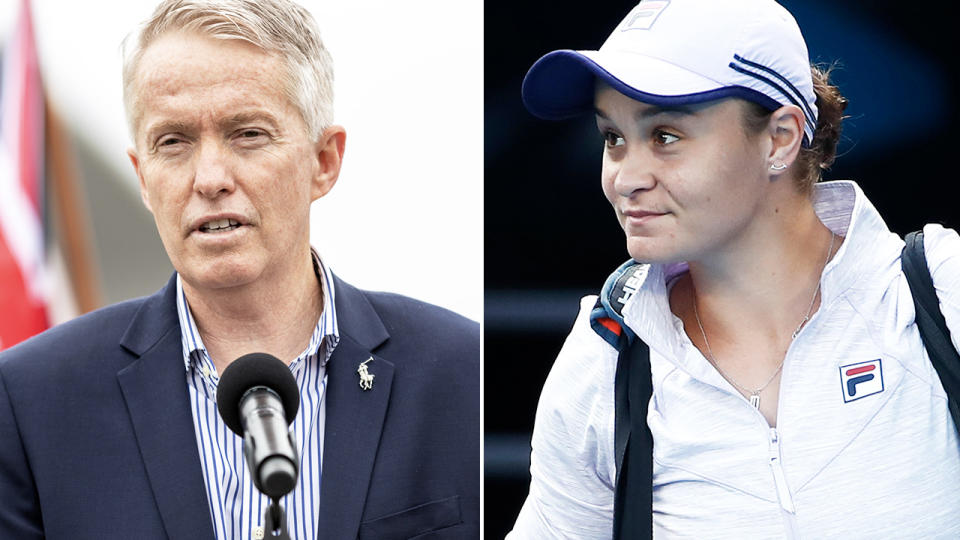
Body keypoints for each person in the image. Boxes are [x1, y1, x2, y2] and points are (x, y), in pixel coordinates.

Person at [0, 1, 479, 539]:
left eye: (247, 134)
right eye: (173, 142)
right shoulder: (31, 400)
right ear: (142, 176)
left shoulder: (463, 374)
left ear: (324, 161)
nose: (209, 178)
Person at [508, 0, 960, 537]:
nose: (626, 178)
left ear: (781, 138)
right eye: (613, 139)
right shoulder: (605, 356)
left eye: (665, 136)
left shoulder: (940, 287)